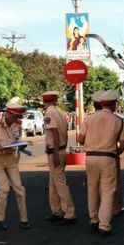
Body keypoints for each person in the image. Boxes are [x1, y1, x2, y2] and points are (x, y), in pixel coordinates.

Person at [79, 90, 124, 235]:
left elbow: (80, 139)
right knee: (107, 191)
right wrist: (114, 154)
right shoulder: (118, 120)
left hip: (90, 158)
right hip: (108, 158)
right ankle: (104, 225)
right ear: (114, 104)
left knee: (92, 188)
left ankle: (93, 218)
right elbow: (123, 144)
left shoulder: (89, 118)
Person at [0, 102, 30, 230]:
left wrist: (22, 145)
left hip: (11, 159)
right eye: (15, 116)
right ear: (8, 113)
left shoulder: (17, 124)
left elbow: (17, 140)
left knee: (19, 189)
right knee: (4, 188)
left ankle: (24, 219)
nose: (17, 119)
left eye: (18, 117)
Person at [42, 91, 76, 224]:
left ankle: (69, 212)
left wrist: (56, 153)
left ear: (44, 102)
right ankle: (57, 210)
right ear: (55, 101)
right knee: (54, 182)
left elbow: (55, 133)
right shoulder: (61, 114)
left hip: (54, 152)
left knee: (60, 182)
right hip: (61, 149)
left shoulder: (48, 114)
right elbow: (65, 134)